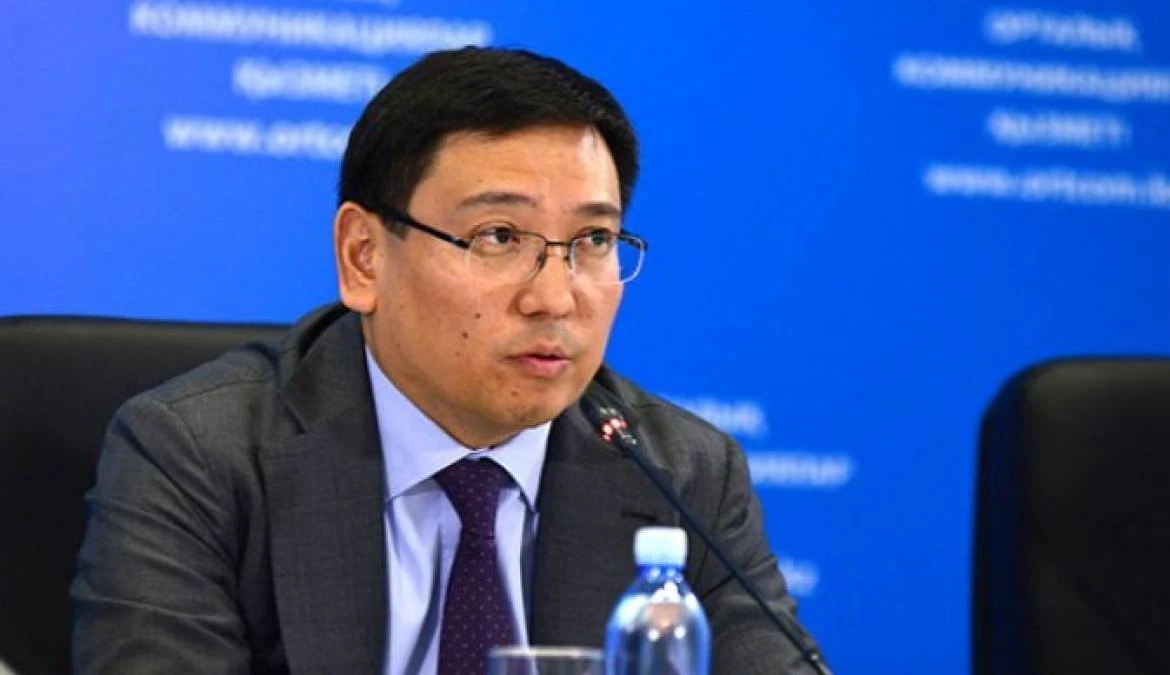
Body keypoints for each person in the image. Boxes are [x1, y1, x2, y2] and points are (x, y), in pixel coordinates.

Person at [71, 47, 815, 674]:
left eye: (593, 241)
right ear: (363, 256)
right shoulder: (199, 453)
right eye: (499, 237)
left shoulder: (684, 473)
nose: (555, 297)